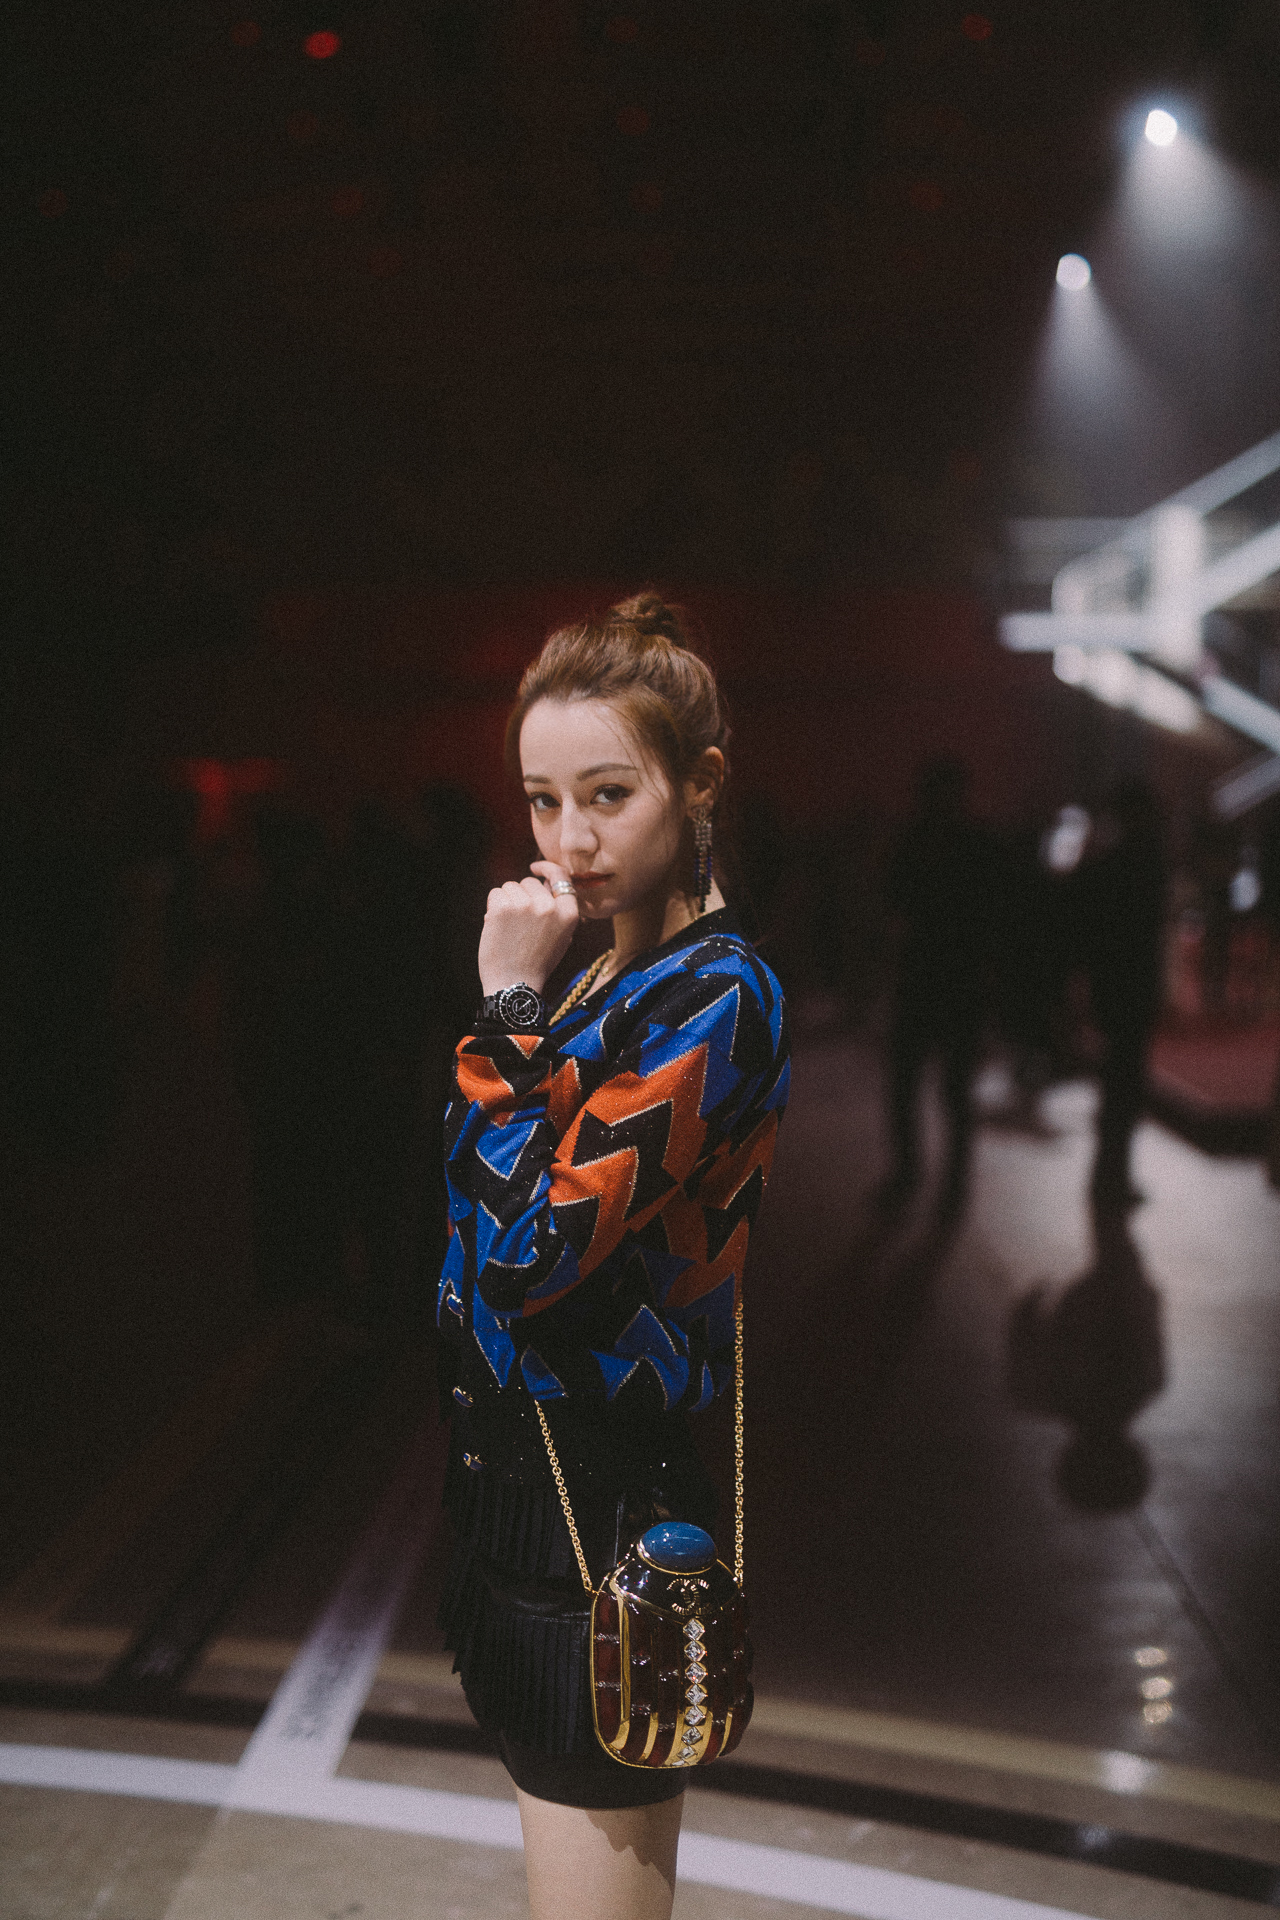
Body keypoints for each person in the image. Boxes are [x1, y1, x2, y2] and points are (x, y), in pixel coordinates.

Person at [435, 593, 790, 1920]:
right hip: (521, 1495)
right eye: (541, 801)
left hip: (602, 1501)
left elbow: (529, 1254)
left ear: (698, 785)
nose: (568, 842)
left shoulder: (718, 994)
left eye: (606, 795)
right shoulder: (605, 976)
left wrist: (505, 1004)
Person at [882, 758, 998, 1215]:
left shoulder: (913, 842)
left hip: (923, 977)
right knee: (952, 1092)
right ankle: (951, 1187)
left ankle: (912, 1177)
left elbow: (892, 907)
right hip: (958, 981)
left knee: (911, 1087)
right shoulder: (976, 845)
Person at [1065, 781, 1167, 1211]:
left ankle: (1108, 1174)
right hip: (1132, 986)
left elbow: (1081, 930)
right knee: (1124, 1085)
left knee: (1117, 1085)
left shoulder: (1107, 865)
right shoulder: (1147, 865)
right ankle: (1113, 1175)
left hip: (1114, 985)